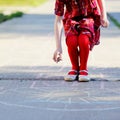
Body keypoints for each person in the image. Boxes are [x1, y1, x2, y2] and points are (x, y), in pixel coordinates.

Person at [53, 0, 109, 82]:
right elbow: (58, 20)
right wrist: (58, 48)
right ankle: (75, 68)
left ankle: (83, 68)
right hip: (71, 19)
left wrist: (103, 16)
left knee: (84, 40)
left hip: (89, 17)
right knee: (71, 42)